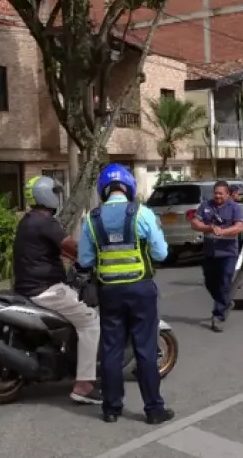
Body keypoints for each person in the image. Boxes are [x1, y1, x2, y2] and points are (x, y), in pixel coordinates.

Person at [78, 164, 174, 425]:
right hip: (141, 290)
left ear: (103, 189)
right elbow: (161, 254)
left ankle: (111, 409)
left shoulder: (91, 218)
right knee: (145, 349)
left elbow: (85, 259)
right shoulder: (142, 214)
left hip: (109, 292)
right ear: (129, 187)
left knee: (111, 350)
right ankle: (154, 410)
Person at [12, 175, 101, 404]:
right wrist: (95, 256)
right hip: (47, 290)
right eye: (54, 192)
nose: (57, 196)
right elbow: (71, 246)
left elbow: (53, 251)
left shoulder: (28, 220)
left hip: (27, 287)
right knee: (90, 321)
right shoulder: (46, 223)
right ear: (46, 195)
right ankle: (83, 385)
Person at [190, 180, 243, 332]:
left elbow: (239, 227)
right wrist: (208, 228)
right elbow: (194, 223)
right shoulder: (206, 206)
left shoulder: (234, 207)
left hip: (228, 253)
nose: (218, 196)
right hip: (209, 253)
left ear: (227, 194)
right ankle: (226, 301)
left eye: (221, 193)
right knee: (210, 283)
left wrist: (223, 232)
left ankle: (218, 315)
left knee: (224, 281)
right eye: (216, 193)